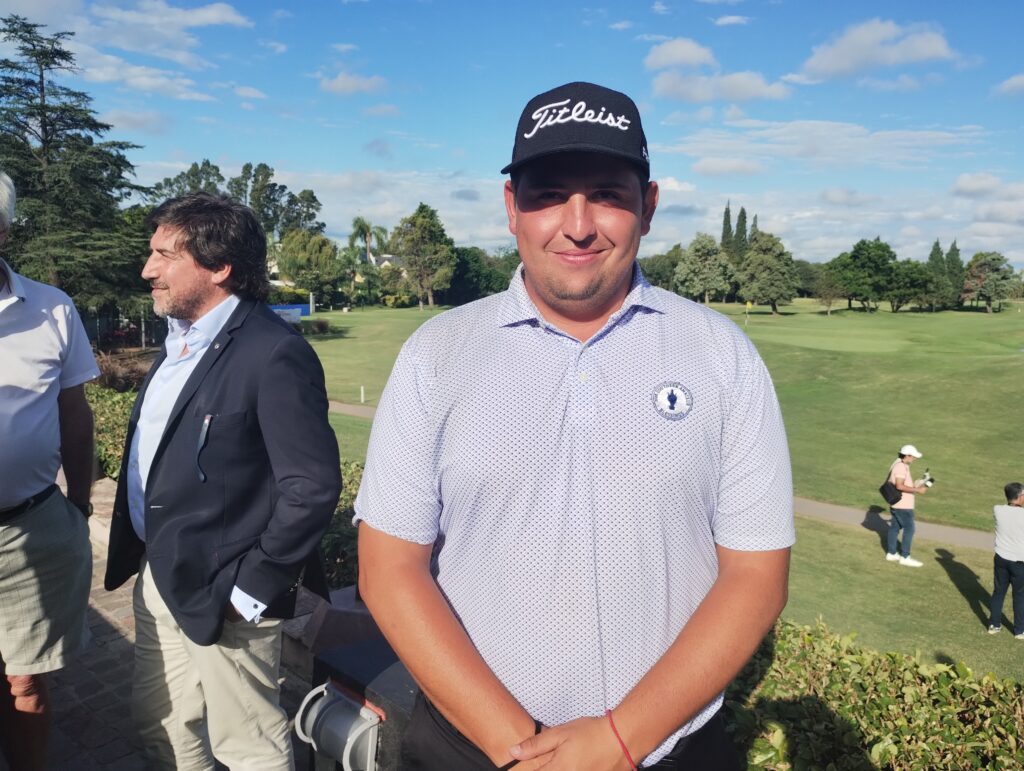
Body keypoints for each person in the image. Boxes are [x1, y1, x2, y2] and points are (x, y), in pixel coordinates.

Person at [355, 81, 794, 770]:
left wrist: (620, 739)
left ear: (648, 206)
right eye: (550, 194)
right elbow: (389, 569)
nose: (579, 224)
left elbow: (756, 574)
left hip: (667, 749)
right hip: (471, 746)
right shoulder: (436, 355)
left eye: (608, 194)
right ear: (512, 208)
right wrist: (522, 750)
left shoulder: (721, 354)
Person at [103, 192, 341, 770]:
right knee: (162, 724)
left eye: (165, 255)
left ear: (219, 267)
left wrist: (248, 591)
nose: (148, 270)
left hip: (227, 590)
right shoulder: (179, 341)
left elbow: (311, 487)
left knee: (248, 746)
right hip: (161, 573)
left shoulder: (273, 352)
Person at [0, 171, 98, 770]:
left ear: (4, 231)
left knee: (27, 682)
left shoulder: (52, 308)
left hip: (31, 531)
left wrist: (79, 504)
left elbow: (75, 415)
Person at [987, 482, 1024, 638]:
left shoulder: (997, 509)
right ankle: (1019, 630)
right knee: (1020, 595)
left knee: (999, 592)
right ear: (1019, 496)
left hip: (1001, 558)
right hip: (1019, 562)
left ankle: (994, 625)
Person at [885, 444, 927, 568]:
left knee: (895, 527)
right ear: (907, 455)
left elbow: (901, 483)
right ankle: (905, 557)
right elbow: (899, 486)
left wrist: (917, 484)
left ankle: (891, 553)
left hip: (897, 503)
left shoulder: (898, 463)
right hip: (903, 505)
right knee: (909, 529)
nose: (915, 458)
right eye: (913, 456)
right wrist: (917, 490)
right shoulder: (901, 467)